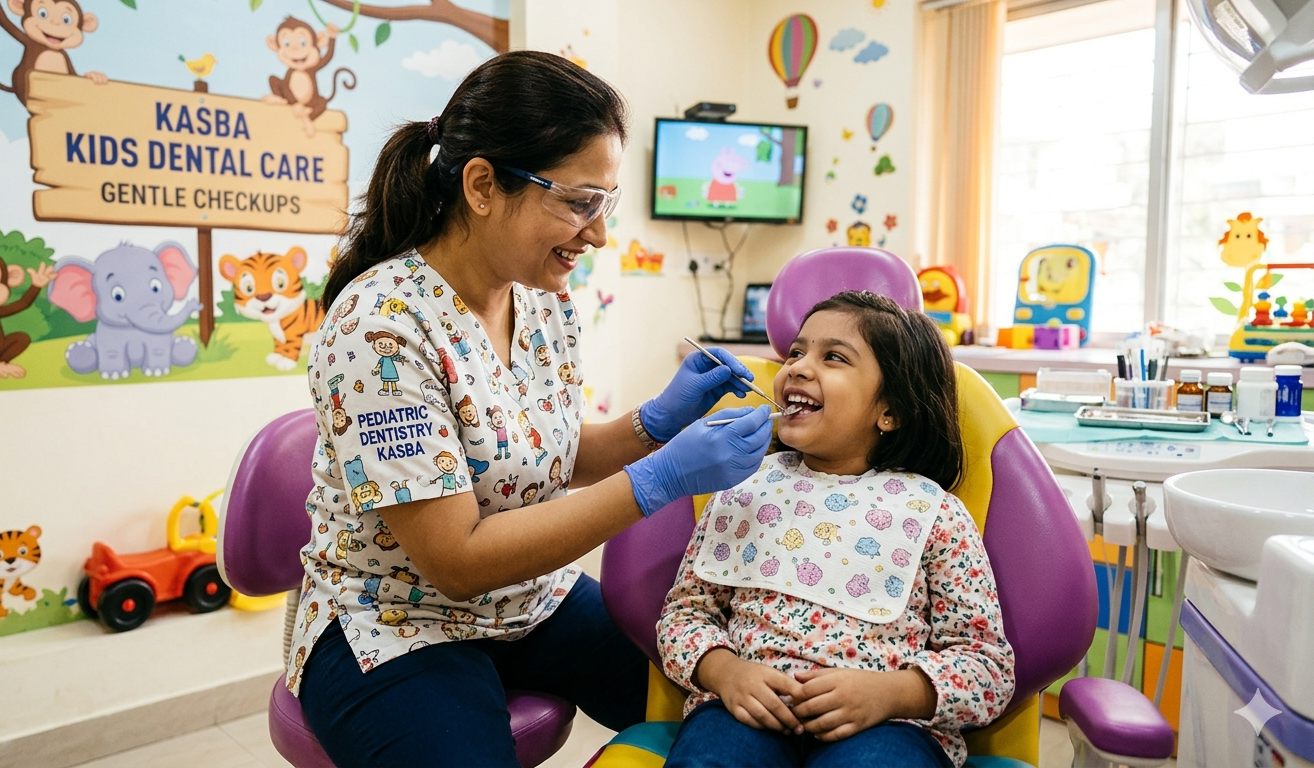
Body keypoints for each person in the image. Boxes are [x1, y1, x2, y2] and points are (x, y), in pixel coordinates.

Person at [289, 50, 776, 767]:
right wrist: (662, 479)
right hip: (392, 619)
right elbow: (455, 560)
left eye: (604, 204)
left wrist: (655, 424)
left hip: (526, 600)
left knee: (711, 705)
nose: (599, 233)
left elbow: (531, 455)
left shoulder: (542, 298)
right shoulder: (380, 327)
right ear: (483, 185)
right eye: (580, 202)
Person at [657, 292, 1015, 768]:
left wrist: (892, 694)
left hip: (889, 729)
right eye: (797, 353)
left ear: (890, 411)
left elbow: (987, 666)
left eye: (834, 357)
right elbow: (684, 615)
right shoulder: (742, 487)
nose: (799, 368)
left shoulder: (934, 514)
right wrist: (725, 673)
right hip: (738, 714)